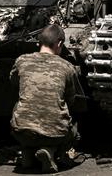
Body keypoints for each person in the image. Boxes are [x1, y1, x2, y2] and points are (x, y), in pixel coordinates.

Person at [10, 24, 79, 173]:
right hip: (55, 133)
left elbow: (14, 83)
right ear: (60, 44)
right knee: (73, 127)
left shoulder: (22, 60)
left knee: (21, 105)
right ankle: (51, 151)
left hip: (21, 132)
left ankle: (28, 153)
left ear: (39, 42)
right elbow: (71, 99)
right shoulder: (66, 66)